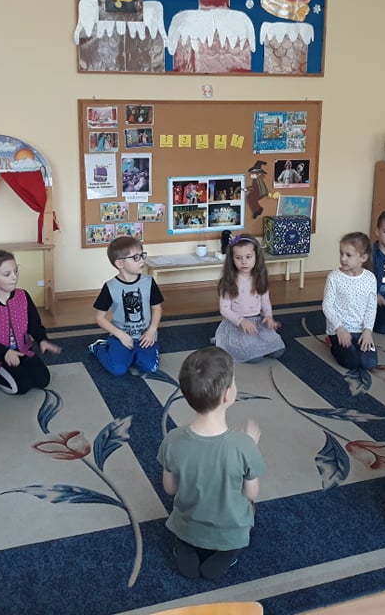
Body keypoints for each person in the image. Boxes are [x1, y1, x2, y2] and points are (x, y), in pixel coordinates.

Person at [157, 347, 266, 580]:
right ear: (228, 394)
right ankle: (226, 553)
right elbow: (252, 493)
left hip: (188, 524)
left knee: (184, 529)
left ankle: (185, 546)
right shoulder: (243, 445)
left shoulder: (172, 440)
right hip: (229, 528)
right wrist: (251, 446)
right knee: (251, 510)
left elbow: (170, 489)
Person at [0, 250, 60, 395]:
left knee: (42, 380)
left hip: (22, 350)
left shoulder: (23, 295)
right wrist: (4, 353)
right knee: (21, 387)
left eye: (16, 271)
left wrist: (42, 340)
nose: (14, 277)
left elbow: (35, 324)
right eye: (7, 274)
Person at [88, 236, 164, 376]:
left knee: (150, 367)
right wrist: (120, 335)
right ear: (120, 263)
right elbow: (99, 317)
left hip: (145, 336)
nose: (142, 260)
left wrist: (152, 331)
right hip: (120, 337)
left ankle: (134, 355)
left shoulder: (149, 282)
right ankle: (99, 347)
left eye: (142, 255)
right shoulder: (110, 287)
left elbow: (157, 308)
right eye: (136, 257)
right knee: (118, 369)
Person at [214, 234, 285, 362]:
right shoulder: (228, 281)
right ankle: (228, 341)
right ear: (232, 259)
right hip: (237, 323)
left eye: (248, 257)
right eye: (238, 258)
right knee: (254, 357)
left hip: (257, 321)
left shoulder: (260, 278)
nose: (244, 262)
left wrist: (268, 316)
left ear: (256, 256)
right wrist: (241, 321)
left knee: (278, 351)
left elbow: (265, 300)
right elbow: (224, 310)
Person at [322, 232, 377, 370]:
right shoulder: (334, 277)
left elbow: (371, 307)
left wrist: (368, 331)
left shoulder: (370, 278)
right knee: (352, 363)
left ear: (363, 257)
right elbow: (327, 306)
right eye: (341, 253)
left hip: (360, 330)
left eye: (348, 255)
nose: (343, 258)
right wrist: (339, 328)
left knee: (369, 363)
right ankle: (331, 342)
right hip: (339, 330)